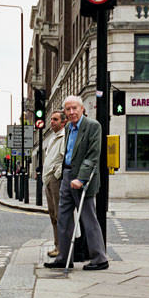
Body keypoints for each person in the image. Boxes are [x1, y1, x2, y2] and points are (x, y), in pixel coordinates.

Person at [44, 95, 109, 271]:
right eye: (68, 109)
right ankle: (64, 257)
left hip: (82, 180)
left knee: (88, 219)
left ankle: (100, 258)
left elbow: (92, 156)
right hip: (66, 176)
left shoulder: (92, 126)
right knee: (63, 218)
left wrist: (80, 179)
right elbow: (67, 154)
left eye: (74, 108)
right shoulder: (69, 129)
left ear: (82, 109)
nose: (71, 112)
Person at [42, 110, 66, 258]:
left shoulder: (64, 137)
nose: (52, 122)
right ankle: (57, 245)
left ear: (63, 122)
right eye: (51, 119)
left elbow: (65, 159)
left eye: (55, 119)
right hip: (48, 180)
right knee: (52, 215)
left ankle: (61, 248)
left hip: (55, 180)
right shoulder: (53, 138)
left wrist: (56, 174)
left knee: (59, 215)